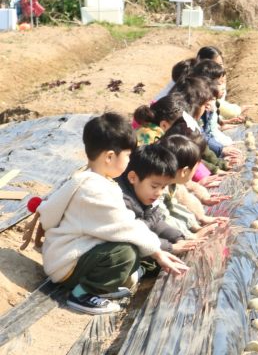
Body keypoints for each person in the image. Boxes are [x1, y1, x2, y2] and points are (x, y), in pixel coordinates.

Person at [35, 113, 187, 315]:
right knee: (124, 254)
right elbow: (126, 226)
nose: (129, 160)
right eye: (128, 155)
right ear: (109, 157)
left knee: (133, 251)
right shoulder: (94, 190)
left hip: (72, 256)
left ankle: (99, 287)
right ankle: (82, 294)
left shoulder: (93, 180)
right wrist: (158, 253)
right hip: (66, 265)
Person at [117, 144, 199, 274]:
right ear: (133, 178)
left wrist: (178, 238)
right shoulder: (121, 199)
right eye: (154, 186)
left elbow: (157, 222)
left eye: (163, 187)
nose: (159, 192)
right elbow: (134, 235)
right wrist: (170, 247)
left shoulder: (145, 195)